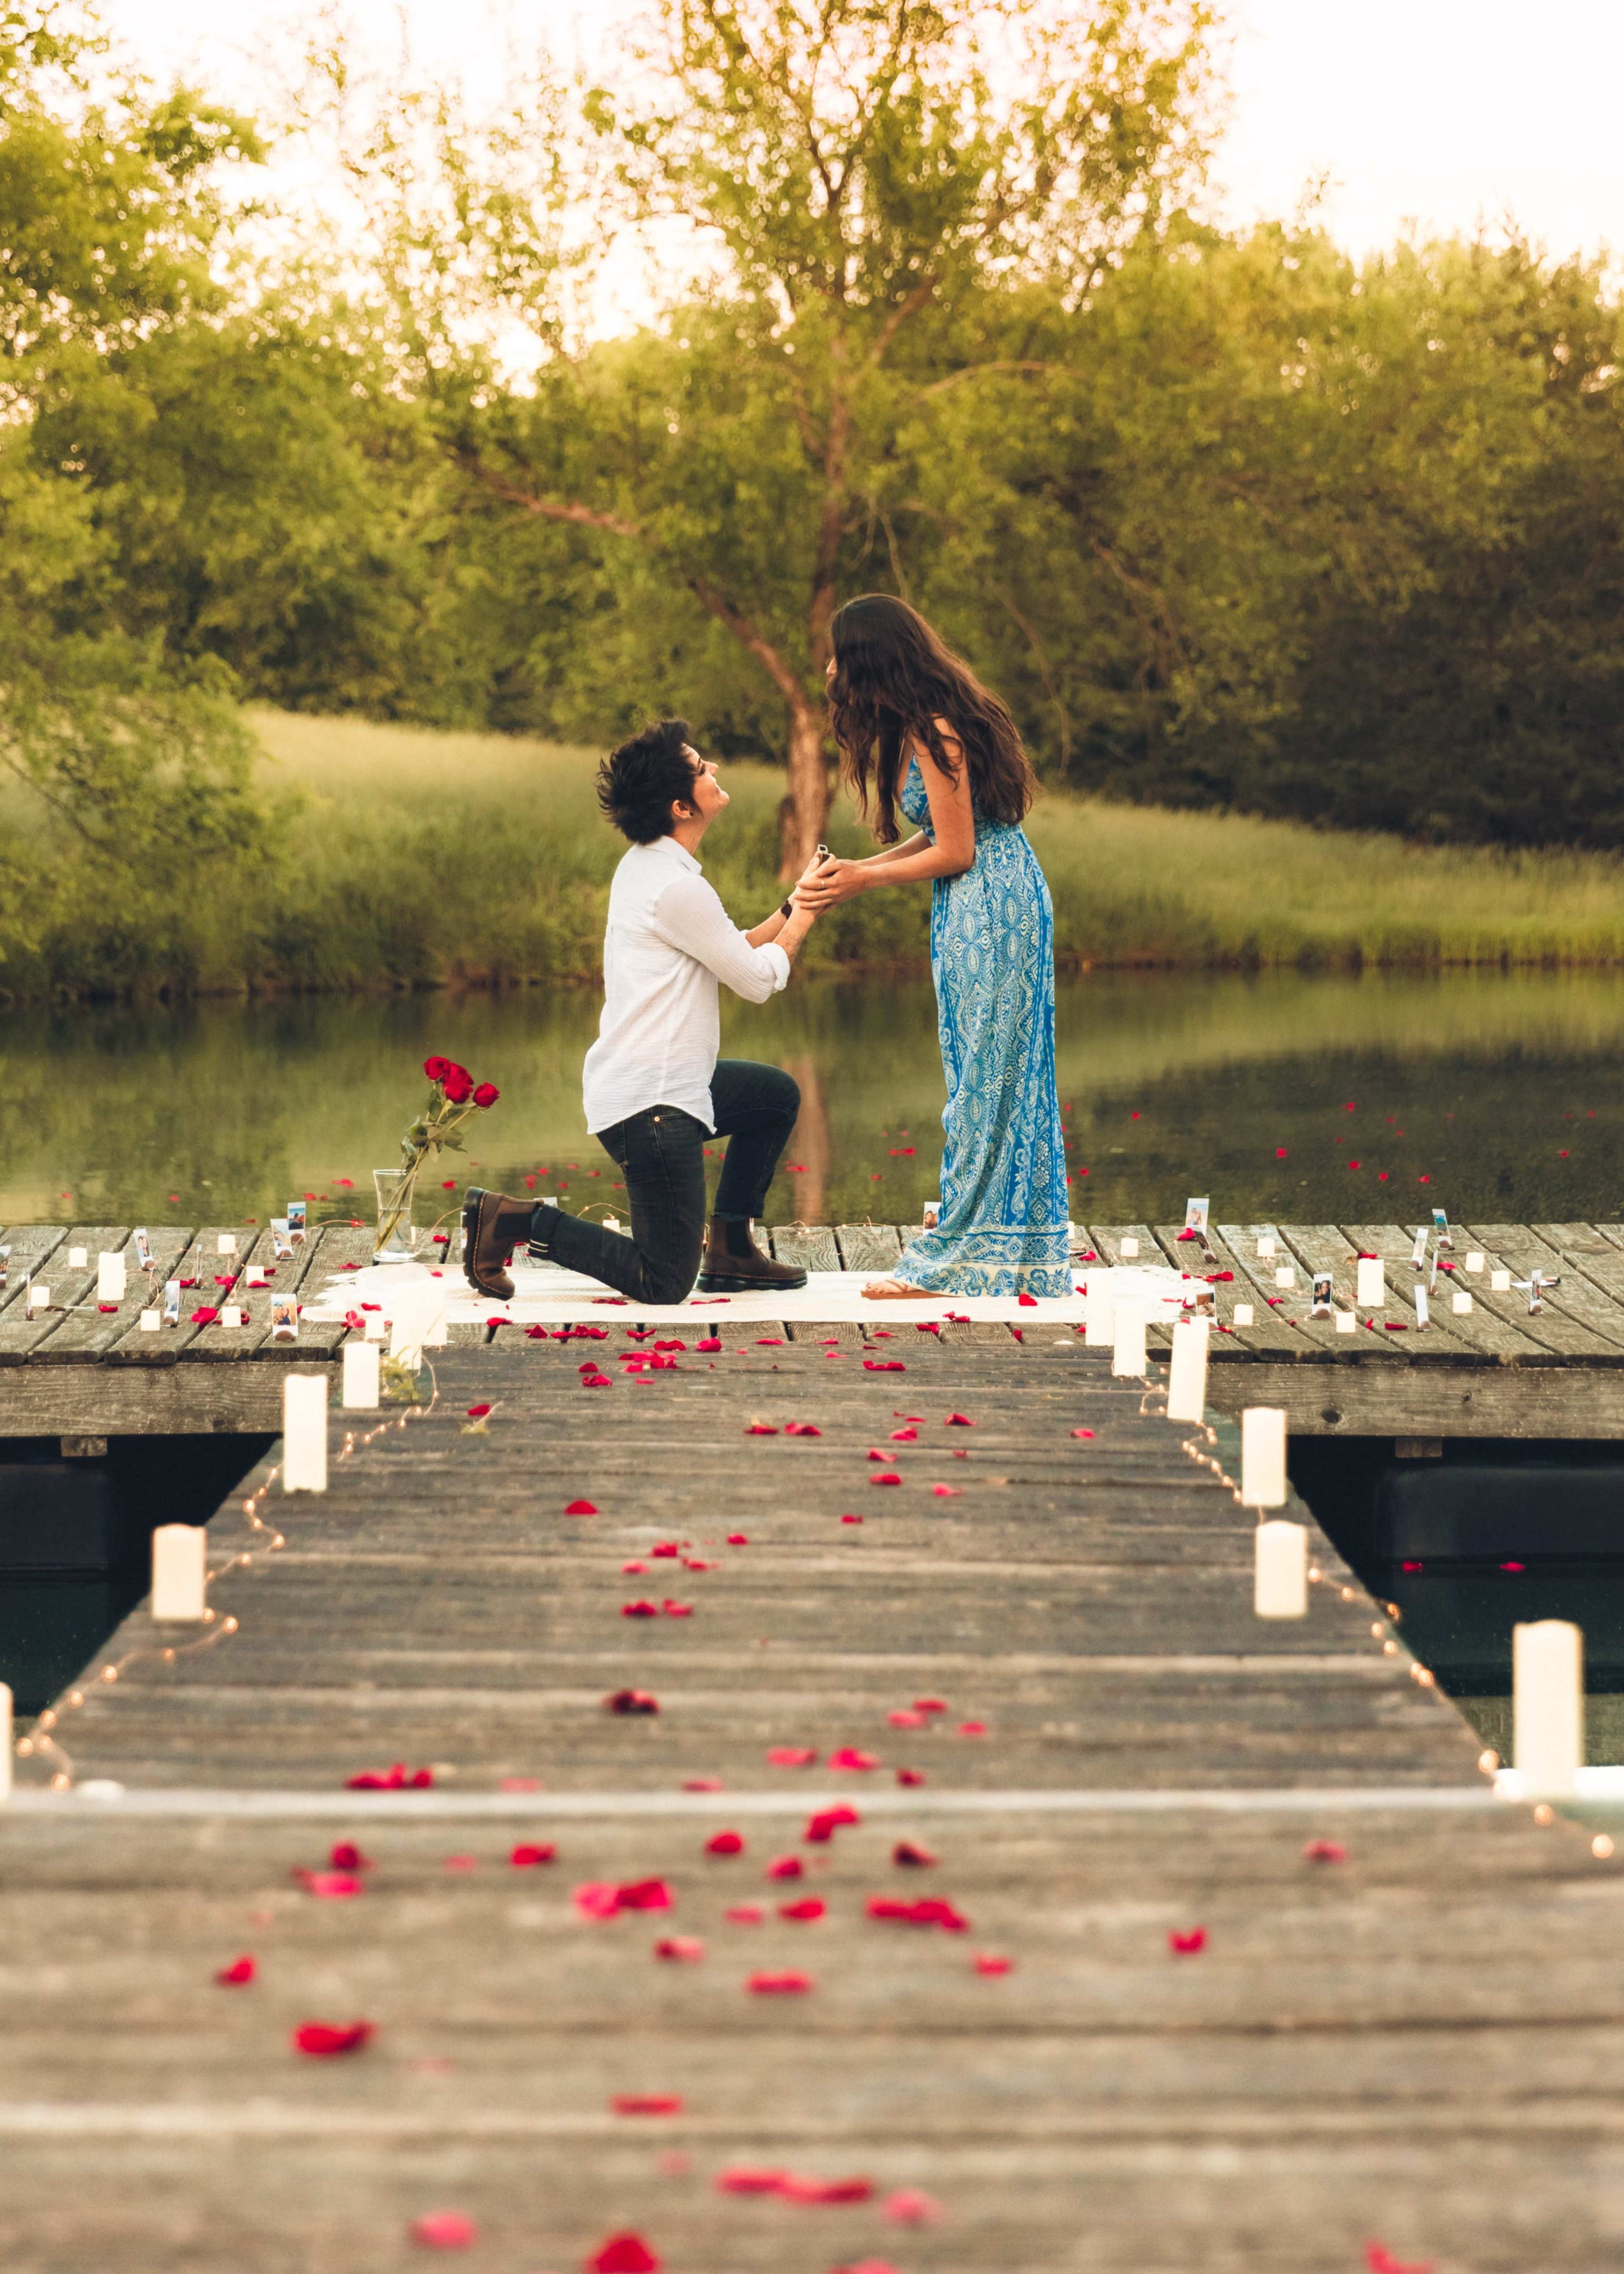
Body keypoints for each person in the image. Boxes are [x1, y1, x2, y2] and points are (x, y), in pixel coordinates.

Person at [463, 719, 821, 1305]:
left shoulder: (654, 867)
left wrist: (795, 901)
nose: (715, 771)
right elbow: (756, 982)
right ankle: (513, 1221)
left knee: (773, 1096)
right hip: (652, 1106)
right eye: (703, 768)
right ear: (682, 805)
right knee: (663, 1281)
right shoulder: (674, 886)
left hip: (664, 1084)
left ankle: (730, 1248)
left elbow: (734, 946)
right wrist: (808, 918)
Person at [798, 594, 1071, 1300]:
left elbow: (958, 850)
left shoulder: (936, 731)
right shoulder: (927, 725)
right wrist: (864, 872)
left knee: (990, 1079)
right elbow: (954, 837)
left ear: (868, 659)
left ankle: (963, 1260)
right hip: (980, 898)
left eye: (837, 655)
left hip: (994, 904)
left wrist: (865, 881)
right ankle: (1002, 1252)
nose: (829, 668)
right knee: (982, 1072)